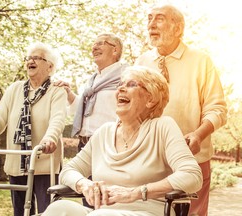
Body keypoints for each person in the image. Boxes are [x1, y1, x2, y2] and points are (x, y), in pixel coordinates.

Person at [42, 66, 202, 216]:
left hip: (148, 212)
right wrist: (84, 185)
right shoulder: (104, 132)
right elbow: (68, 171)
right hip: (102, 213)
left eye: (131, 84)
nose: (120, 89)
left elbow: (191, 175)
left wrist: (136, 193)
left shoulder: (162, 127)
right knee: (58, 208)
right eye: (120, 85)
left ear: (150, 99)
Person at [135, 4, 227, 216]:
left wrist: (198, 134)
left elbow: (218, 109)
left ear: (178, 28)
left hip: (191, 159)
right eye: (149, 18)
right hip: (149, 158)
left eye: (159, 18)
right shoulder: (142, 61)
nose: (151, 24)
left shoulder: (201, 61)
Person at [0, 42, 67, 216]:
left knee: (48, 211)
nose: (30, 61)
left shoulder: (56, 91)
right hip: (17, 162)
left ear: (50, 66)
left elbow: (58, 119)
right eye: (28, 58)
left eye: (36, 58)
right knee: (20, 212)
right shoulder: (15, 89)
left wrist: (50, 139)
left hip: (44, 162)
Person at [55, 32, 128, 152]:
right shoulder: (92, 80)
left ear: (115, 50)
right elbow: (85, 108)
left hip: (110, 144)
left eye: (100, 43)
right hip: (84, 144)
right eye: (93, 44)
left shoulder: (126, 76)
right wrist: (69, 93)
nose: (94, 47)